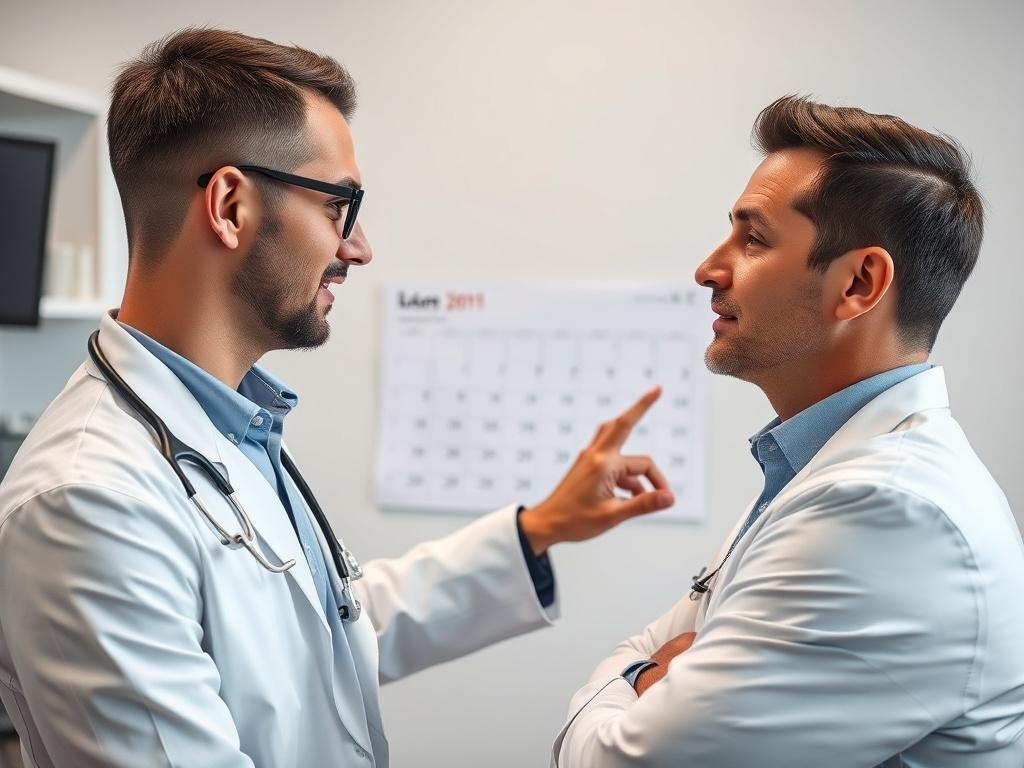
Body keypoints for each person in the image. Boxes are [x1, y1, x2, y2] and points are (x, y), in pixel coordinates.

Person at [0, 29, 676, 768]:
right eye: (339, 206)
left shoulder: (232, 429)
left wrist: (539, 528)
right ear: (230, 205)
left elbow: (315, 635)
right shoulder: (88, 502)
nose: (358, 248)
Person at [552, 96, 1024, 767]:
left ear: (859, 283)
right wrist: (647, 677)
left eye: (753, 239)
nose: (708, 270)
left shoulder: (885, 509)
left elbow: (619, 760)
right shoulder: (821, 470)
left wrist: (630, 679)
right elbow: (655, 655)